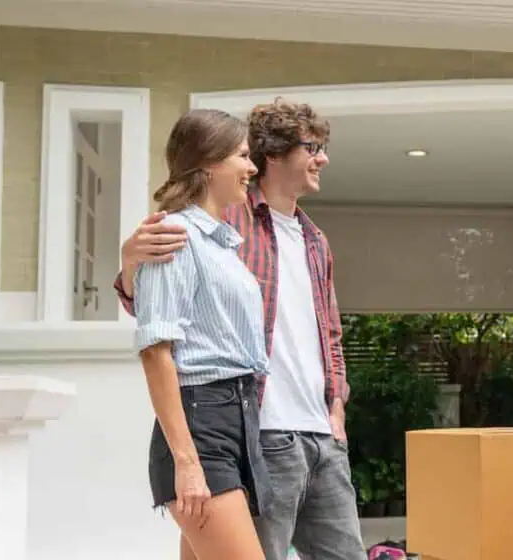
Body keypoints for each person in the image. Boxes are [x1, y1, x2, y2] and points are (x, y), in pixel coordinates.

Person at [114, 98, 365, 560]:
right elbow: (155, 324)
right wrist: (131, 264)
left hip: (315, 432)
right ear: (274, 156)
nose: (323, 158)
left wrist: (336, 406)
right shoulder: (219, 221)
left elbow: (330, 332)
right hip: (259, 428)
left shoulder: (314, 241)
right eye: (312, 146)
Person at [135, 108, 269, 560]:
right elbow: (156, 352)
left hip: (236, 419)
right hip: (203, 424)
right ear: (210, 163)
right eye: (243, 156)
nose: (252, 168)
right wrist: (187, 462)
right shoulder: (174, 234)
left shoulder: (220, 243)